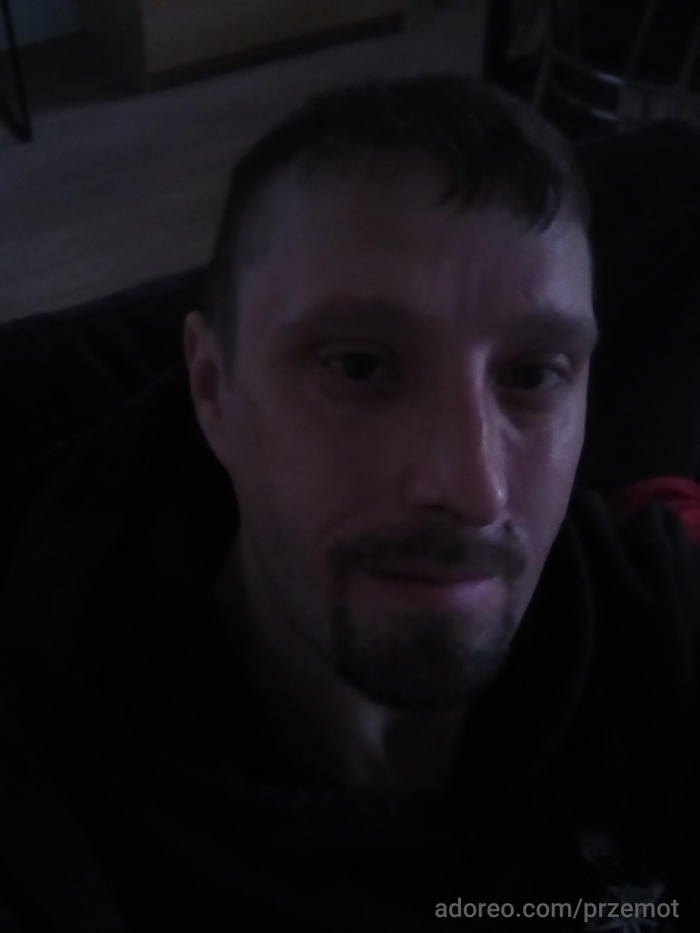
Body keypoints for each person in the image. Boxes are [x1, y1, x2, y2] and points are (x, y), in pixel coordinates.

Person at [0, 73, 698, 933]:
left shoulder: (655, 623)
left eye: (532, 374)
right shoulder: (45, 791)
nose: (474, 490)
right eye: (361, 366)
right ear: (213, 390)